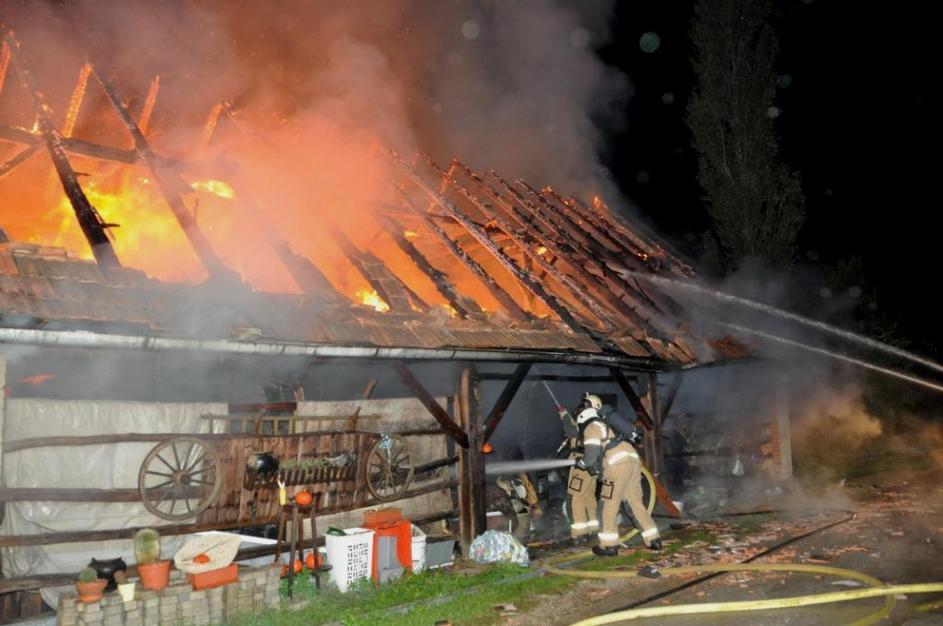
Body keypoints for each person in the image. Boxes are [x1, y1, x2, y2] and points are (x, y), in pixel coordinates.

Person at [574, 396, 662, 556]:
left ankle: (608, 546)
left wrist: (582, 463)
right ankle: (653, 539)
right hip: (633, 461)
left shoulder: (592, 426)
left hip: (616, 465)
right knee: (635, 503)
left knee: (608, 504)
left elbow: (591, 454)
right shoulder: (608, 424)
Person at [558, 395, 599, 542]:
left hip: (581, 465)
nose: (581, 408)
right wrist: (566, 414)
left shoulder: (586, 423)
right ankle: (594, 528)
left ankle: (579, 534)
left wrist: (563, 416)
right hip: (592, 465)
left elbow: (570, 430)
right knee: (589, 496)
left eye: (585, 405)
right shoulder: (595, 423)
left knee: (577, 498)